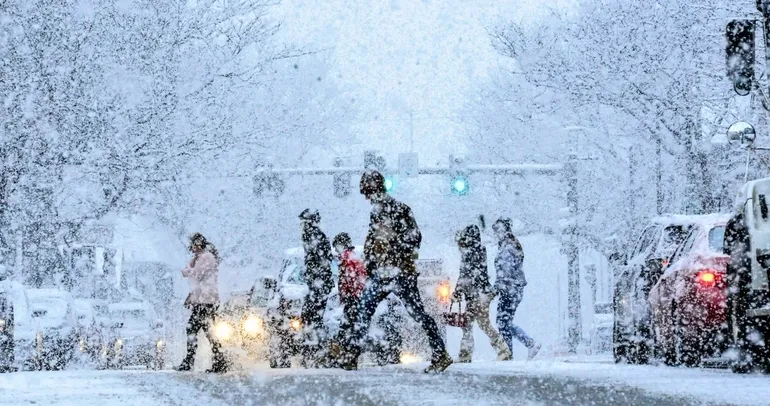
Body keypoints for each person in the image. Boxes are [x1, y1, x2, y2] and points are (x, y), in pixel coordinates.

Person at [338, 170, 452, 373]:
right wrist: (373, 262)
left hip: (398, 273)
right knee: (366, 311)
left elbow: (415, 237)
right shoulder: (378, 210)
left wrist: (393, 248)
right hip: (385, 273)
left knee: (413, 313)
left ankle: (440, 353)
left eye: (369, 192)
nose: (368, 198)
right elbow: (374, 241)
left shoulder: (398, 208)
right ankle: (351, 355)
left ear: (376, 189)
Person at [453, 224, 512, 363]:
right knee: (469, 323)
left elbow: (465, 275)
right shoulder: (478, 250)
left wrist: (458, 290)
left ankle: (503, 350)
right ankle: (465, 353)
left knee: (482, 323)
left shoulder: (470, 252)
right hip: (480, 293)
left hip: (479, 294)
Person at [175, 233, 228, 373]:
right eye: (193, 245)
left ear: (201, 245)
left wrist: (188, 269)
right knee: (207, 331)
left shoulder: (207, 257)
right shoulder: (199, 258)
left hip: (206, 300)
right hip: (202, 300)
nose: (193, 248)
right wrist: (190, 297)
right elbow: (196, 282)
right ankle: (219, 360)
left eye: (196, 245)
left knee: (196, 329)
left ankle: (192, 361)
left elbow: (198, 275)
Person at [492, 218, 541, 360]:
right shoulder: (511, 245)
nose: (496, 235)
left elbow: (505, 273)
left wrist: (496, 289)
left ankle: (517, 349)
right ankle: (516, 349)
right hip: (514, 289)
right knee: (505, 322)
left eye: (498, 231)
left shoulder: (507, 248)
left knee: (503, 322)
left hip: (509, 290)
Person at [298, 208, 334, 365]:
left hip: (318, 285)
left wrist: (315, 280)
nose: (302, 227)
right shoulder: (315, 236)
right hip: (317, 284)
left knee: (312, 317)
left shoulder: (314, 237)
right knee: (311, 317)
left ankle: (318, 350)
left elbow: (320, 262)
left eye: (304, 223)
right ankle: (316, 350)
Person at [332, 233, 367, 341]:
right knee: (351, 326)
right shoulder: (351, 256)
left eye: (337, 247)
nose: (336, 250)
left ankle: (346, 348)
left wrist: (349, 295)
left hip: (353, 299)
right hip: (354, 298)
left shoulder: (348, 259)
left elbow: (352, 281)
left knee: (347, 327)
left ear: (341, 245)